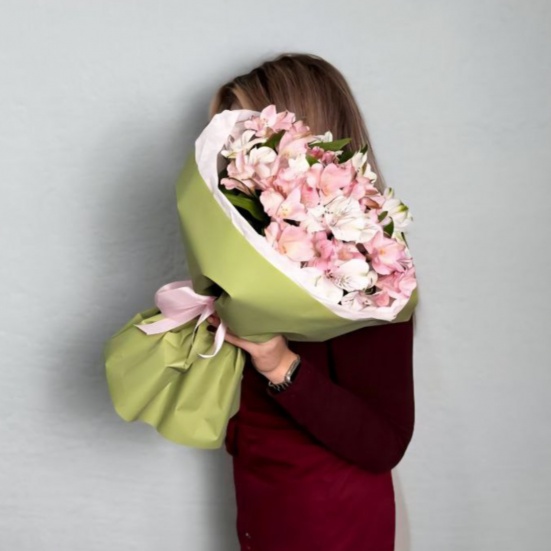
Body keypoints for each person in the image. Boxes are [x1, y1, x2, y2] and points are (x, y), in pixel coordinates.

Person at [205, 53, 416, 551]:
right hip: (266, 509)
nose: (231, 153)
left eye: (243, 135)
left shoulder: (369, 265)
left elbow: (383, 442)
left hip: (331, 522)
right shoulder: (256, 244)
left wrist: (281, 365)